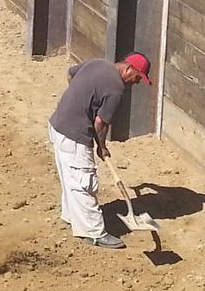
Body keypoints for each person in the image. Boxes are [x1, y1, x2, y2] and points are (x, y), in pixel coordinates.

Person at [47, 52, 151, 247]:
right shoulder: (116, 88)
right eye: (137, 78)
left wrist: (80, 102)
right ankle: (94, 232)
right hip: (74, 135)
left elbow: (71, 74)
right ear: (128, 69)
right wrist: (101, 147)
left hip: (57, 125)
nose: (135, 83)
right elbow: (100, 123)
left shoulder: (97, 63)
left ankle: (71, 216)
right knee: (84, 181)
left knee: (69, 176)